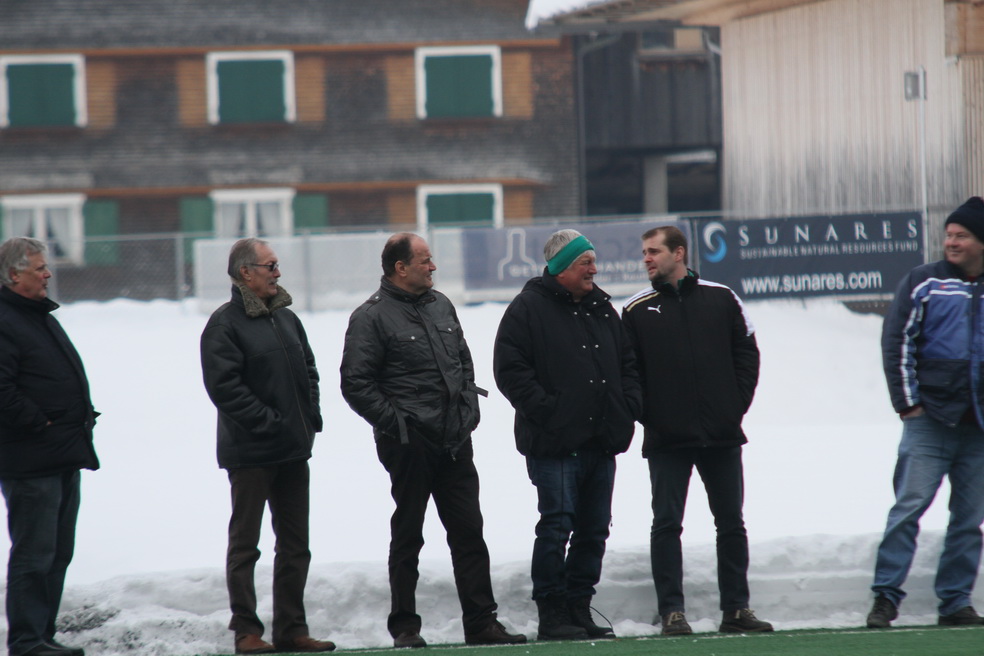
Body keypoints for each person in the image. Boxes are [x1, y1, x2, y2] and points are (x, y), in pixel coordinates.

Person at [340, 233, 526, 649]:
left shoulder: (441, 305)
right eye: (424, 260)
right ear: (400, 267)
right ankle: (405, 627)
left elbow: (463, 361)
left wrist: (468, 409)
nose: (433, 266)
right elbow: (356, 384)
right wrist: (400, 427)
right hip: (409, 445)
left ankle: (481, 623)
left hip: (454, 440)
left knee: (469, 533)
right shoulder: (370, 317)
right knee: (409, 535)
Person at [621, 225, 773, 636]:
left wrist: (732, 408)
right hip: (667, 438)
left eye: (654, 251)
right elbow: (628, 372)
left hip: (721, 434)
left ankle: (736, 610)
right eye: (644, 252)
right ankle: (672, 612)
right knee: (666, 525)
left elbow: (747, 354)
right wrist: (650, 416)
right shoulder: (635, 310)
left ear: (679, 253)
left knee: (731, 523)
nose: (647, 259)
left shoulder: (723, 298)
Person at [493, 229, 642, 641]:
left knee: (594, 529)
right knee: (557, 526)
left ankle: (579, 606)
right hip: (555, 445)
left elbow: (629, 364)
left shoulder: (602, 309)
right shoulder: (527, 309)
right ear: (561, 269)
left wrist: (627, 406)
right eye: (585, 262)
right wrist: (551, 413)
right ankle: (552, 613)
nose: (594, 269)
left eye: (593, 261)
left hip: (602, 441)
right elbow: (510, 371)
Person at [200, 238, 335, 655]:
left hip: (293, 451)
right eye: (270, 265)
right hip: (251, 455)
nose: (278, 272)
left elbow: (309, 370)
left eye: (276, 265)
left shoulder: (286, 318)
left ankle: (292, 629)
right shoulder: (224, 326)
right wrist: (270, 424)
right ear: (246, 272)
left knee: (295, 546)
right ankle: (247, 632)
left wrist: (309, 416)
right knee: (246, 547)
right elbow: (225, 388)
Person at [866, 196, 984, 629]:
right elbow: (897, 343)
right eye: (949, 234)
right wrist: (909, 405)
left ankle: (955, 603)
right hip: (929, 422)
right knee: (907, 511)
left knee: (969, 521)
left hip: (978, 429)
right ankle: (885, 598)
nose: (951, 242)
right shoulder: (923, 282)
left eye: (961, 235)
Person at [0, 237, 98, 656]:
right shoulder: (6, 319)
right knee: (34, 554)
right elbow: (3, 390)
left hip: (62, 454)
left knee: (57, 552)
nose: (48, 274)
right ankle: (26, 640)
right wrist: (40, 423)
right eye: (39, 268)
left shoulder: (36, 315)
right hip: (31, 461)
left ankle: (43, 635)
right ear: (13, 275)